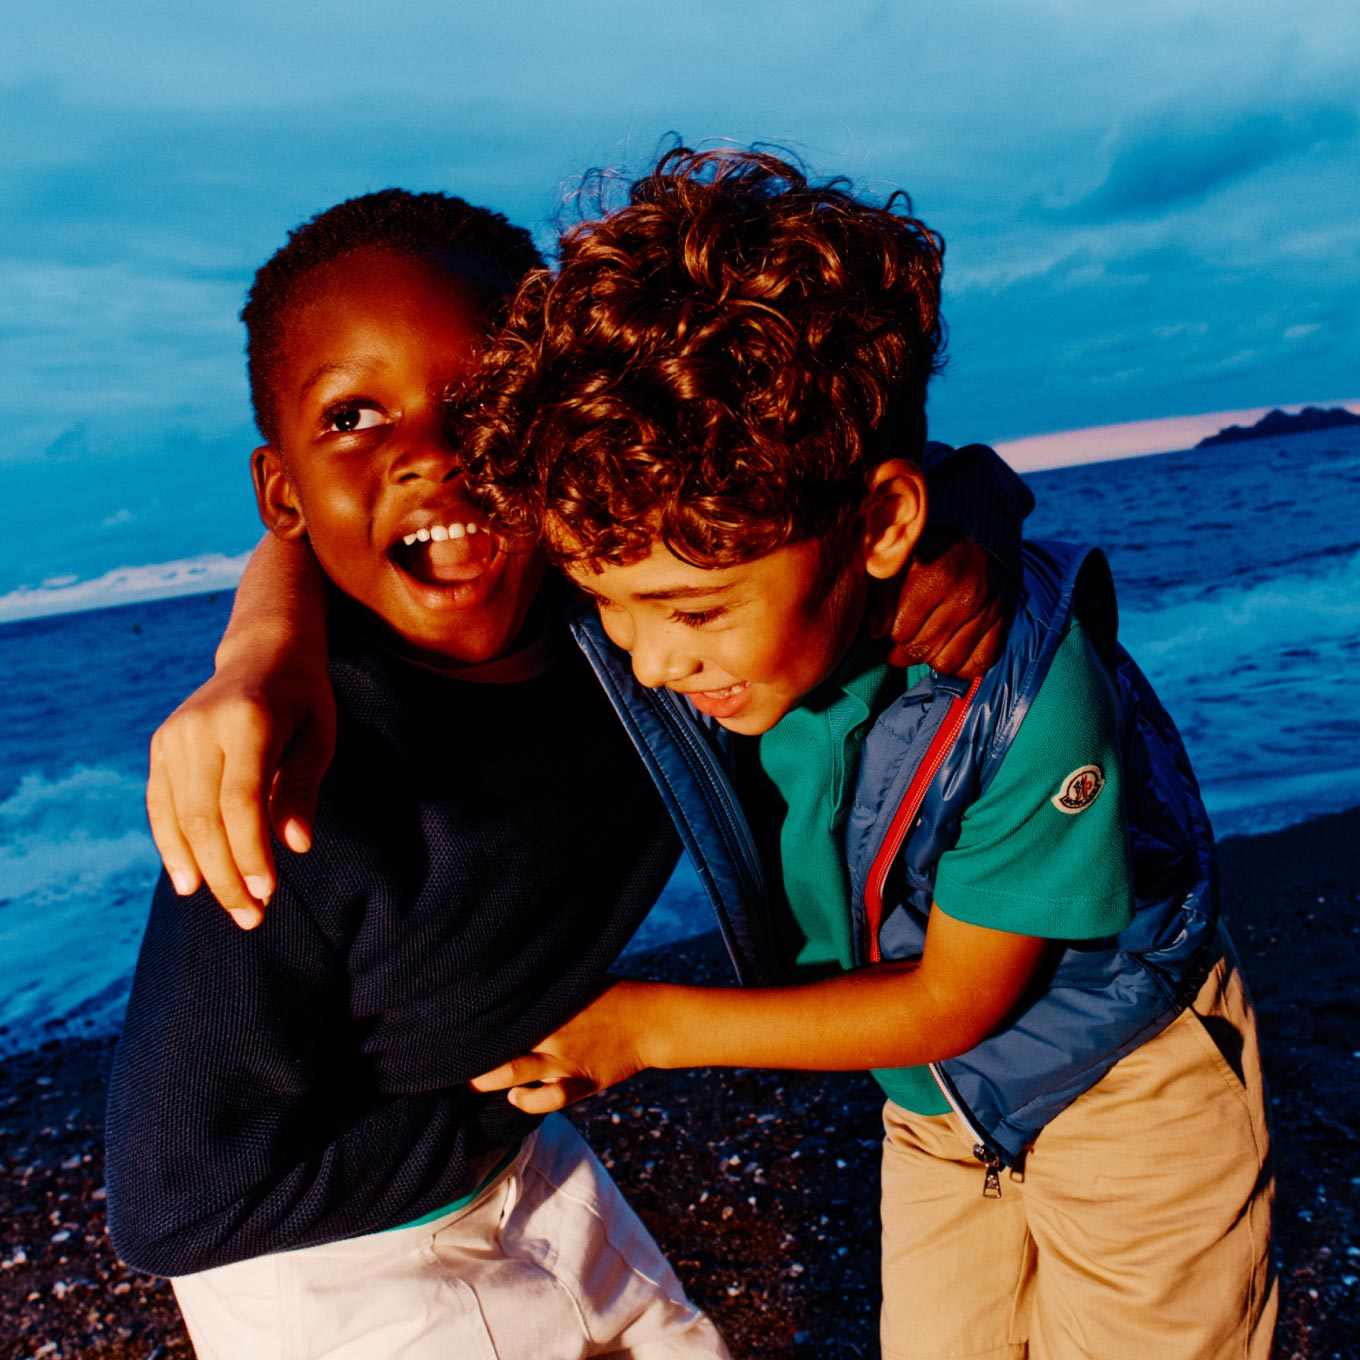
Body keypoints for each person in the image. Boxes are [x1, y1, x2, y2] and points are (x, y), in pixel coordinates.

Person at [111, 187, 1020, 1358]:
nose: (431, 454)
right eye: (353, 416)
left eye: (482, 399)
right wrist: (265, 640)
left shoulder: (632, 632)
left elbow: (840, 491)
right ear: (280, 494)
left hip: (526, 1158)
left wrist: (967, 521)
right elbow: (175, 1202)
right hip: (330, 1272)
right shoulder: (290, 792)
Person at [459, 147, 1277, 1360]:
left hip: (1127, 1093)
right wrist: (260, 648)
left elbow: (956, 998)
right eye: (607, 604)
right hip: (939, 1117)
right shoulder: (729, 578)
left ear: (886, 523)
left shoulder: (1024, 704)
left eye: (688, 610)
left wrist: (642, 1027)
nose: (648, 663)